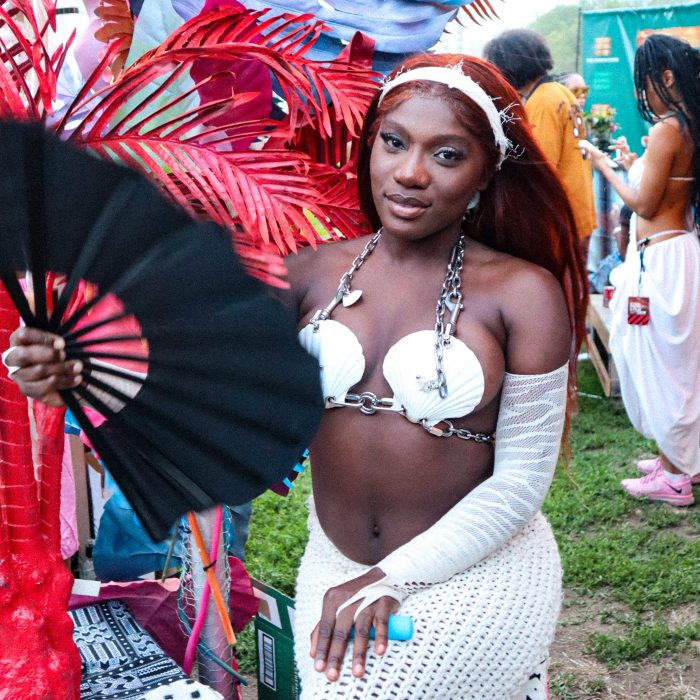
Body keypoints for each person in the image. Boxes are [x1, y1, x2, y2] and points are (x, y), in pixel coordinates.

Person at [6, 54, 588, 698]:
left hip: (477, 569)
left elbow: (519, 483)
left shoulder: (522, 293)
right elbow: (210, 402)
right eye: (394, 143)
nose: (410, 172)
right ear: (371, 148)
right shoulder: (308, 274)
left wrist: (392, 578)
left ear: (485, 172)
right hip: (336, 570)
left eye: (446, 155)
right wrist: (78, 375)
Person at [582, 33, 700, 506]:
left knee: (662, 365)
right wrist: (634, 164)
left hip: (661, 262)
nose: (643, 92)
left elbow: (645, 203)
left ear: (665, 77)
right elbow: (668, 190)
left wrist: (604, 167)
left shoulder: (671, 127)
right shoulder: (690, 124)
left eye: (646, 82)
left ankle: (674, 477)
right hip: (678, 253)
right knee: (679, 365)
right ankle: (680, 460)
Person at [484, 30, 597, 264]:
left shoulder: (542, 101)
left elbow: (540, 168)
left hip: (559, 220)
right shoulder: (561, 92)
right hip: (577, 210)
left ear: (510, 65)